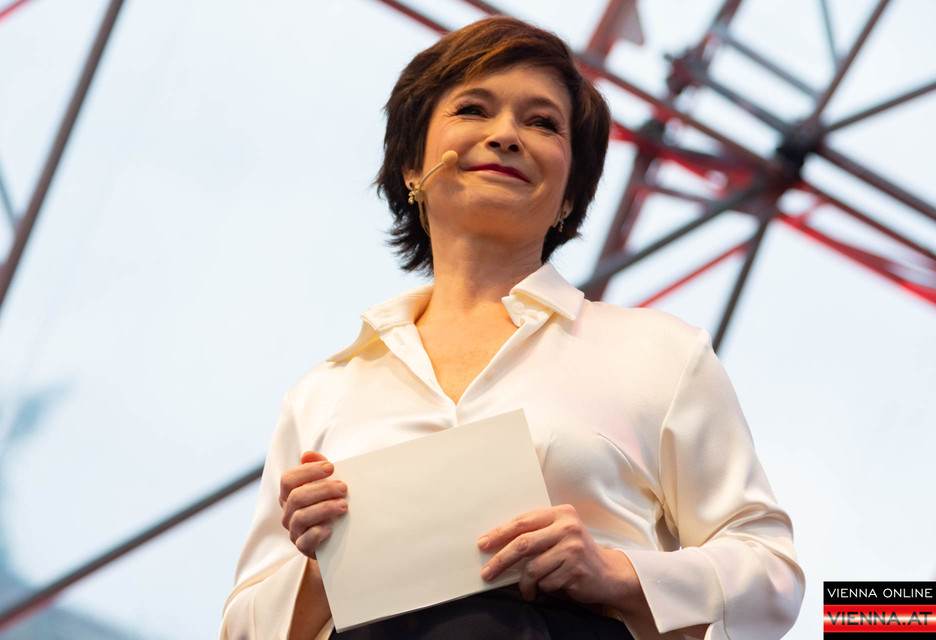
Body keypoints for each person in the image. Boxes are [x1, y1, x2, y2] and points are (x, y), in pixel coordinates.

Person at [220, 16, 804, 640]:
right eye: (473, 109)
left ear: (570, 195)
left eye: (543, 123)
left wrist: (615, 573)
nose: (505, 135)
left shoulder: (659, 355)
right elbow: (240, 626)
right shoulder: (325, 392)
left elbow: (771, 572)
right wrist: (323, 567)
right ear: (412, 167)